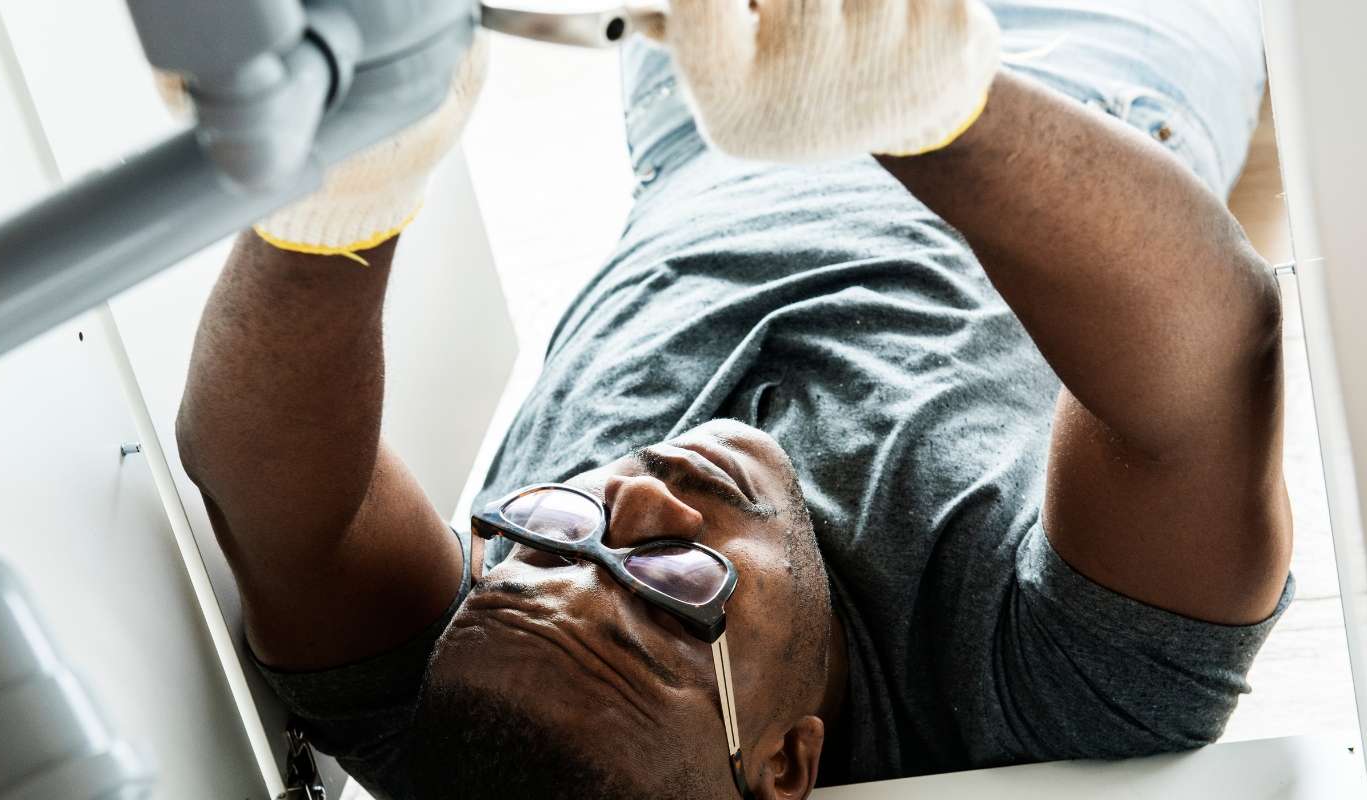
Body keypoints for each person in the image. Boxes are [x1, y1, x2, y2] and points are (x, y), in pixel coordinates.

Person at [175, 1, 1292, 797]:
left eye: (553, 535)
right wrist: (927, 108)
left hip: (710, 105)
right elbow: (1208, 361)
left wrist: (347, 189)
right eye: (671, 594)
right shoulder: (1045, 705)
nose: (633, 500)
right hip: (1060, 87)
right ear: (784, 764)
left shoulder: (487, 716)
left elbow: (275, 495)